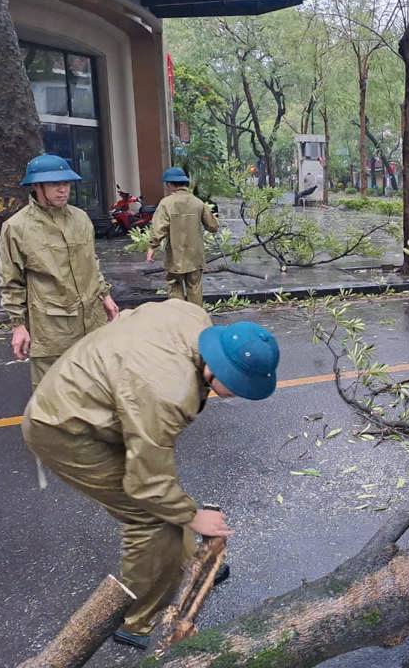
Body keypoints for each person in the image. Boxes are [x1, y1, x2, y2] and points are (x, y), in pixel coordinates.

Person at [21, 299, 281, 649]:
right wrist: (192, 516)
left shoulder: (192, 318)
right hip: (63, 428)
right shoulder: (168, 392)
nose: (237, 394)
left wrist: (186, 513)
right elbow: (146, 485)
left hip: (101, 402)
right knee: (150, 517)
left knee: (165, 501)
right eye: (235, 384)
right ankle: (140, 618)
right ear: (216, 366)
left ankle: (191, 562)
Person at [0, 153, 120, 390]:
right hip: (51, 328)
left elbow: (91, 262)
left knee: (95, 390)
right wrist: (18, 325)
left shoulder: (81, 219)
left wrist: (105, 295)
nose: (62, 189)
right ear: (36, 186)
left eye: (65, 183)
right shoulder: (16, 227)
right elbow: (11, 281)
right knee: (52, 399)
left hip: (91, 321)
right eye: (54, 184)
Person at [146, 167, 219, 306]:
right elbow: (213, 227)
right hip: (195, 257)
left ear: (169, 184)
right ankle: (197, 320)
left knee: (175, 287)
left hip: (175, 256)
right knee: (195, 288)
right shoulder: (198, 202)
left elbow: (158, 228)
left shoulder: (166, 203)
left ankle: (180, 321)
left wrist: (151, 247)